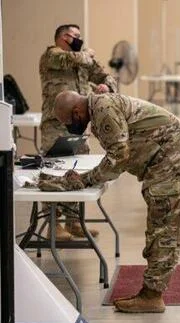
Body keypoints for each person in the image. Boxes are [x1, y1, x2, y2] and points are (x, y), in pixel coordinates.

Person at [53, 91, 180, 313]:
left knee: (163, 231)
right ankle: (151, 292)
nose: (70, 127)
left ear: (77, 111)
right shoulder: (99, 107)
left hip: (173, 159)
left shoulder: (103, 109)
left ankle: (152, 296)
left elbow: (119, 155)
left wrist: (87, 179)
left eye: (68, 122)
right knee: (161, 228)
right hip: (170, 157)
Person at [39, 24, 117, 240]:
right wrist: (87, 54)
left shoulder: (82, 57)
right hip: (54, 125)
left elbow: (104, 75)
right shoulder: (52, 56)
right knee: (54, 172)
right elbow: (78, 59)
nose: (79, 39)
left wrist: (106, 87)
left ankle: (74, 222)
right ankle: (53, 225)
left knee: (77, 172)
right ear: (64, 37)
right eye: (75, 36)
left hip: (79, 123)